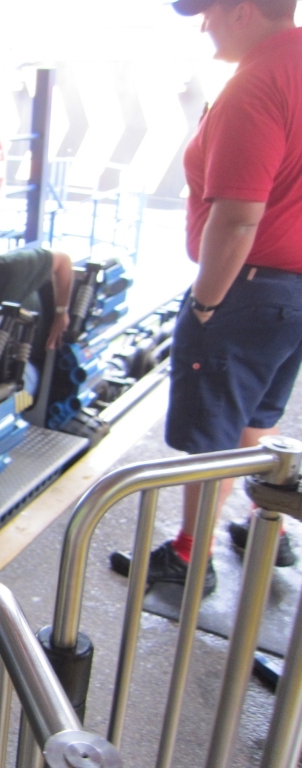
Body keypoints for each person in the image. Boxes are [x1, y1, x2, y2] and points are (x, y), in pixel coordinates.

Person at [111, 0, 302, 595]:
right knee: (256, 414)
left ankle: (191, 556)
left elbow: (238, 218)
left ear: (243, 9)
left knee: (209, 432)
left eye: (209, 10)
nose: (202, 23)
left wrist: (205, 304)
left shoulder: (256, 85)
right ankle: (260, 527)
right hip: (293, 294)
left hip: (246, 290)